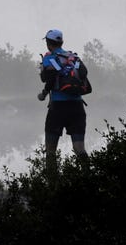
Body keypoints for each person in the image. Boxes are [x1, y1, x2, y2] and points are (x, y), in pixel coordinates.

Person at [38, 29, 89, 174]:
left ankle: (52, 186)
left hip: (58, 108)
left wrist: (43, 94)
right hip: (77, 107)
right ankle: (89, 180)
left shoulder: (49, 58)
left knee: (50, 150)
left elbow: (48, 79)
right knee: (79, 148)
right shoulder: (73, 57)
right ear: (62, 42)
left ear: (48, 44)